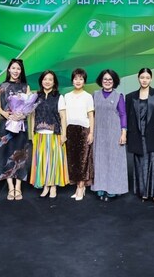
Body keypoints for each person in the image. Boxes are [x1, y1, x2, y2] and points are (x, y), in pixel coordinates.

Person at [125, 68, 154, 206]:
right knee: (140, 163)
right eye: (142, 77)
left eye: (147, 77)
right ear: (138, 78)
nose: (144, 80)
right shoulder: (130, 96)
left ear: (151, 79)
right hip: (137, 135)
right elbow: (128, 118)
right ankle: (144, 192)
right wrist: (126, 135)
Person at [29, 70, 69, 199]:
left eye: (50, 79)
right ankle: (45, 185)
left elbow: (63, 117)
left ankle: (53, 187)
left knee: (54, 162)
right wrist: (32, 133)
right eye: (45, 79)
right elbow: (33, 116)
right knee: (42, 162)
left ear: (54, 82)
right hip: (39, 134)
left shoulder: (59, 97)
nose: (47, 81)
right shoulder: (36, 97)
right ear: (41, 81)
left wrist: (64, 135)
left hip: (54, 134)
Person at [0, 58, 31, 201]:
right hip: (6, 125)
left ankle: (18, 187)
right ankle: (10, 187)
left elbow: (29, 106)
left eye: (18, 69)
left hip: (21, 125)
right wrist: (6, 114)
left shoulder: (25, 87)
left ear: (21, 71)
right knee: (6, 154)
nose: (16, 71)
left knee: (21, 155)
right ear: (9, 70)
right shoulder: (1, 86)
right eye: (13, 68)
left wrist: (21, 115)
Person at [91, 69, 128, 201]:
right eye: (105, 79)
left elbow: (123, 115)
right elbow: (91, 114)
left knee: (114, 161)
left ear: (114, 81)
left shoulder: (118, 96)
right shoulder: (95, 95)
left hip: (114, 133)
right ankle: (100, 188)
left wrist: (123, 133)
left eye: (110, 79)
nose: (107, 81)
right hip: (99, 133)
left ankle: (113, 189)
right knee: (99, 160)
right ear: (101, 81)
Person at [64, 68, 95, 201]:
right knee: (73, 160)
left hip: (83, 130)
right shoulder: (66, 96)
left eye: (81, 79)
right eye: (76, 78)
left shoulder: (88, 96)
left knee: (83, 160)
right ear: (72, 81)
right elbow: (64, 116)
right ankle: (77, 185)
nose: (78, 81)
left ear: (84, 81)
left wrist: (91, 133)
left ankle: (81, 187)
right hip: (70, 130)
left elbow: (91, 115)